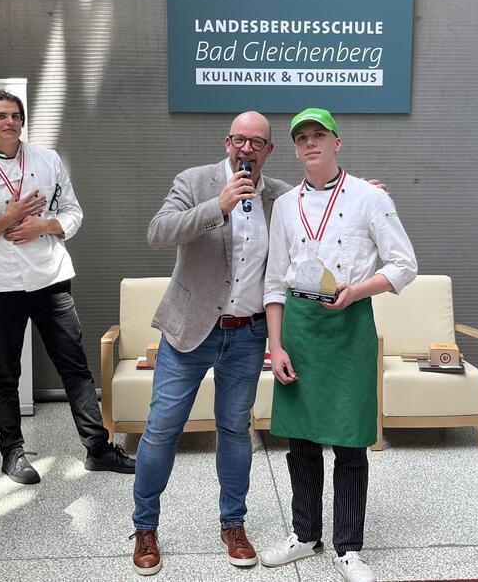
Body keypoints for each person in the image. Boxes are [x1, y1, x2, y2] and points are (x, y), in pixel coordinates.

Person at [130, 111, 389, 576]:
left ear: (269, 150)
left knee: (235, 430)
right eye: (239, 139)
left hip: (247, 334)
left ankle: (233, 524)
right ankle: (145, 526)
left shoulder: (281, 197)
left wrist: (363, 197)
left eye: (256, 142)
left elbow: (321, 217)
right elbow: (157, 232)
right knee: (162, 428)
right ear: (227, 142)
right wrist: (219, 205)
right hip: (189, 329)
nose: (246, 149)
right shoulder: (195, 181)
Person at [261, 108, 416, 582]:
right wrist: (276, 346)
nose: (310, 143)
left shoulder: (370, 197)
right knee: (300, 439)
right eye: (301, 138)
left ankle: (348, 548)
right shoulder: (285, 205)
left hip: (349, 324)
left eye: (319, 135)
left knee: (350, 441)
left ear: (336, 142)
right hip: (300, 328)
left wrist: (358, 290)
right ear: (295, 148)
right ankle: (305, 534)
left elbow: (404, 264)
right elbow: (274, 282)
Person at [0, 90, 134, 485]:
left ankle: (98, 449)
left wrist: (44, 226)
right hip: (2, 284)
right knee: (6, 372)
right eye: (1, 116)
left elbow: (73, 213)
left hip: (51, 277)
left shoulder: (47, 160)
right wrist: (9, 218)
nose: (10, 122)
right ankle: (12, 453)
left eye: (15, 115)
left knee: (75, 366)